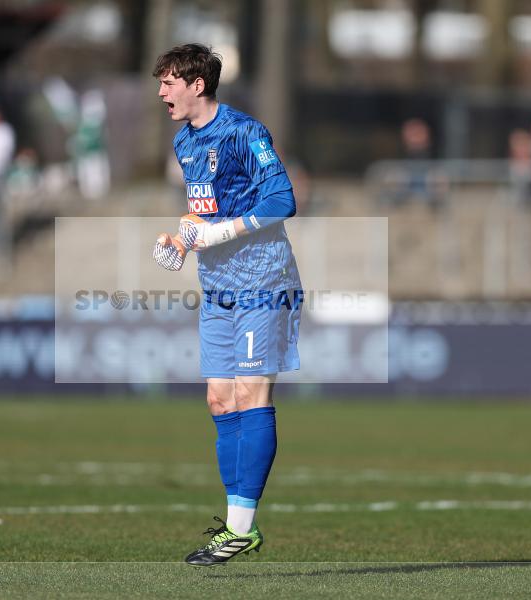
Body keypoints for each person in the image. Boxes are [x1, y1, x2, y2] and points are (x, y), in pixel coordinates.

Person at [151, 43, 302, 567]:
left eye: (169, 81)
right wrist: (183, 236)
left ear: (197, 84)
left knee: (249, 391)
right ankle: (237, 527)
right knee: (219, 399)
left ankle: (239, 530)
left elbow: (282, 199)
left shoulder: (245, 132)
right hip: (217, 284)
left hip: (262, 279)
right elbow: (207, 210)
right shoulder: (184, 142)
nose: (161, 91)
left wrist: (217, 231)